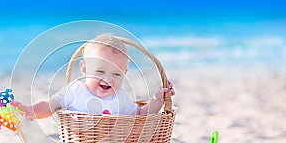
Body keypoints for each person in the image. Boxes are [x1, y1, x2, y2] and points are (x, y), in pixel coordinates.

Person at [10, 33, 175, 121]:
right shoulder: (73, 91)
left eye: (116, 74)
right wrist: (31, 110)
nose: (108, 79)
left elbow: (140, 115)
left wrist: (157, 100)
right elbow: (48, 106)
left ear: (125, 74)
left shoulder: (120, 98)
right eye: (100, 72)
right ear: (84, 68)